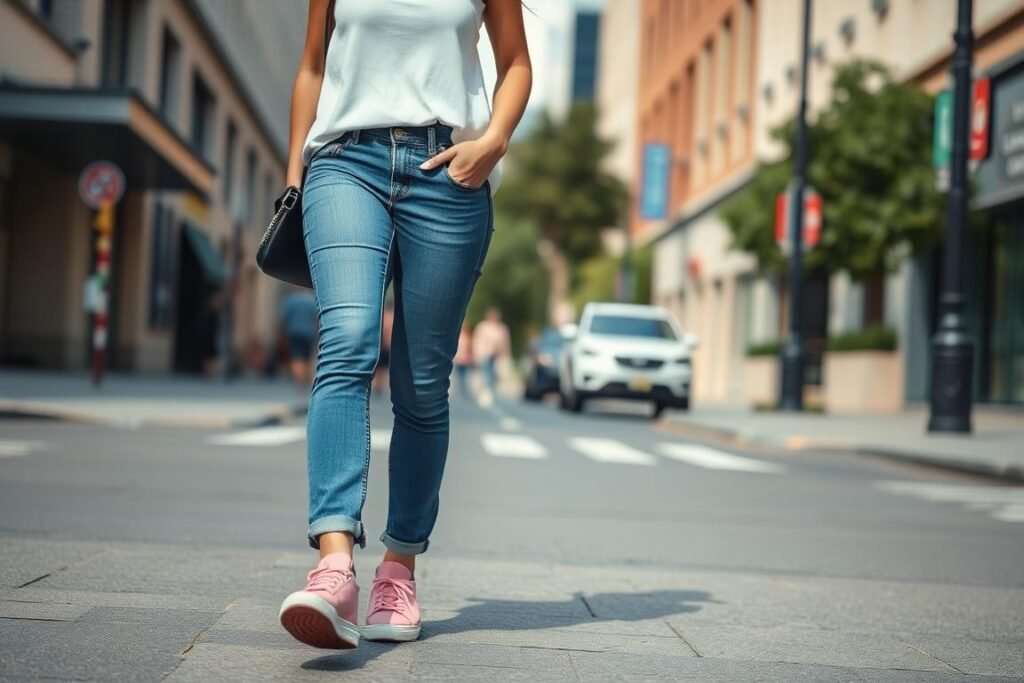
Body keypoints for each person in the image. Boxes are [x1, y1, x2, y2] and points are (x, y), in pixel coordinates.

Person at [277, 0, 531, 650]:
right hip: (344, 164)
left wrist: (493, 141)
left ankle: (399, 568)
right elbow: (312, 64)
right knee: (350, 340)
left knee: (421, 382)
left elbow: (515, 65)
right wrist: (293, 178)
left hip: (448, 169)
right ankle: (334, 564)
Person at [280, 288, 318, 389]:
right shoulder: (310, 300)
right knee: (307, 357)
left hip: (294, 332)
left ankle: (299, 381)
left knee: (297, 357)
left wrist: (282, 333)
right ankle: (307, 379)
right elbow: (316, 317)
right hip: (308, 332)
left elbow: (284, 318)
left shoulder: (290, 300)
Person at [472, 307, 511, 395]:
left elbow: (505, 342)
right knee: (486, 372)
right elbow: (477, 341)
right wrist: (475, 354)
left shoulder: (502, 328)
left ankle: (489, 388)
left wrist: (506, 355)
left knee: (493, 373)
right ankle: (486, 389)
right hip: (484, 354)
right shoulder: (482, 326)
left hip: (496, 355)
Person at [453, 322, 475, 399]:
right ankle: (460, 389)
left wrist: (471, 358)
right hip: (458, 360)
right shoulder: (457, 337)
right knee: (459, 376)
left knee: (463, 376)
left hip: (465, 360)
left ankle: (463, 390)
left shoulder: (468, 338)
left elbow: (471, 349)